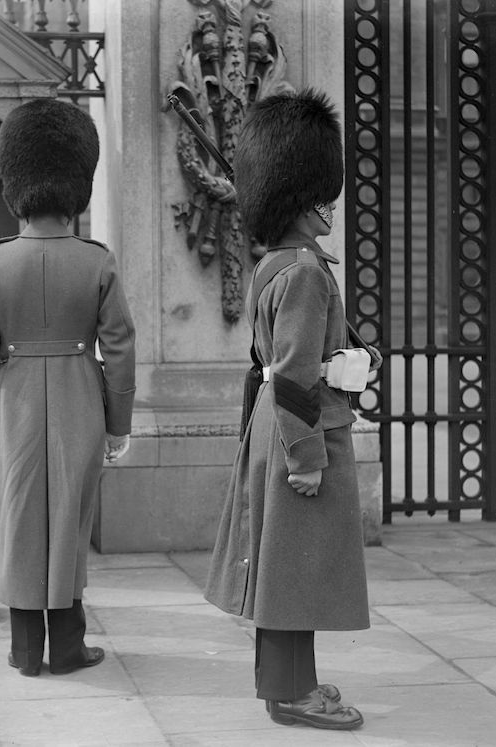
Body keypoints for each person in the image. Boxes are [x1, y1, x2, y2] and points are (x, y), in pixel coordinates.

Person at [204, 89, 377, 731]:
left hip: (278, 425)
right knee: (288, 569)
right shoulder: (303, 272)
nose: (330, 204)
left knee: (292, 567)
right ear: (303, 200)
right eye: (321, 195)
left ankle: (296, 681)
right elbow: (298, 371)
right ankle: (287, 693)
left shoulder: (277, 263)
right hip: (299, 433)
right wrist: (306, 457)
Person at [0, 98, 136, 677]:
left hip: (12, 400)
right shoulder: (97, 261)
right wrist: (119, 424)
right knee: (68, 521)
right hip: (80, 395)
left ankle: (24, 649)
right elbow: (120, 348)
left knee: (17, 516)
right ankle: (67, 647)